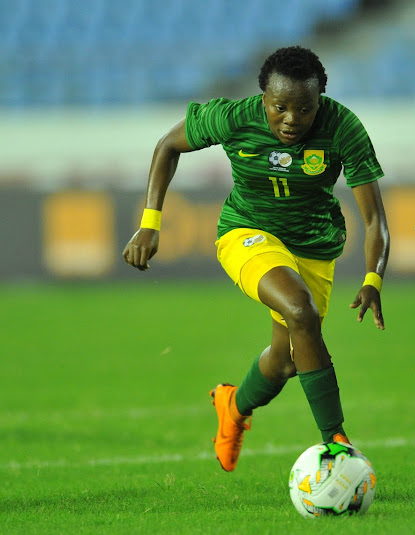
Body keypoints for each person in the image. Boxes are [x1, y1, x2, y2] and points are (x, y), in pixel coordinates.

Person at [122, 46, 390, 472]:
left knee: (285, 362)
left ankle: (233, 405)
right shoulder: (233, 117)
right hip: (247, 232)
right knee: (299, 310)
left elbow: (375, 219)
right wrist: (150, 221)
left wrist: (374, 279)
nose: (290, 119)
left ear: (320, 100)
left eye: (304, 108)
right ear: (262, 97)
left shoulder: (343, 127)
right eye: (279, 107)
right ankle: (336, 443)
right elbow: (167, 145)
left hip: (313, 244)